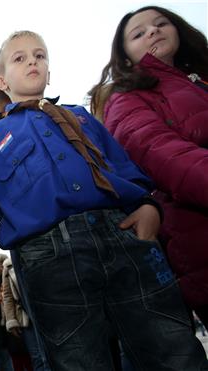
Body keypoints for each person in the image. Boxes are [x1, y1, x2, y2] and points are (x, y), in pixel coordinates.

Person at [0, 30, 208, 370]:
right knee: (77, 359)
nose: (32, 60)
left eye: (39, 55)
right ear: (0, 80)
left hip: (123, 235)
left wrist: (148, 207)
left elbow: (125, 167)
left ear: (49, 70)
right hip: (49, 254)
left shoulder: (82, 116)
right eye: (20, 57)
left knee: (171, 348)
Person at [89, 5, 208, 327]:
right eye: (138, 33)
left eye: (160, 23)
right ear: (125, 55)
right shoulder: (126, 99)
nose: (153, 31)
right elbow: (163, 153)